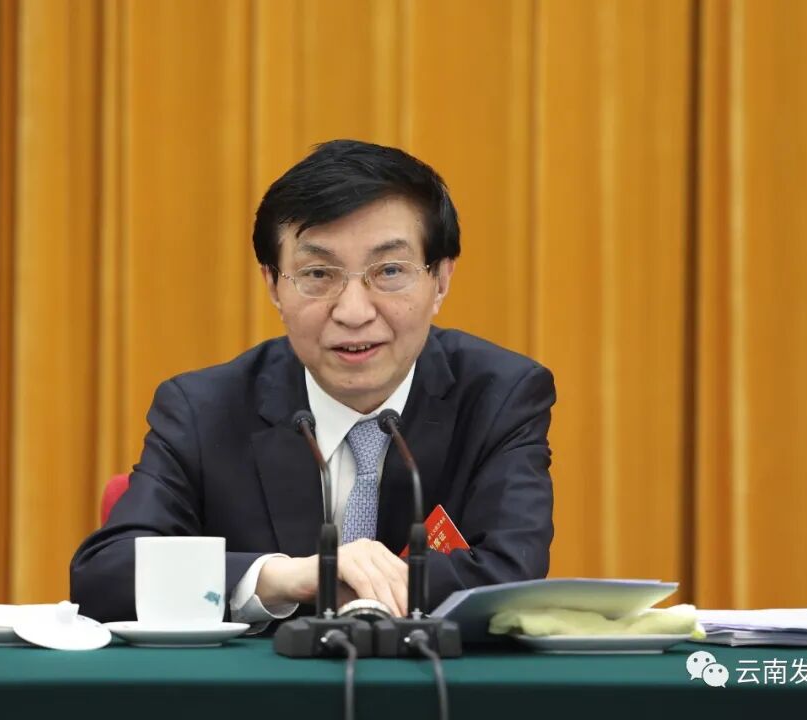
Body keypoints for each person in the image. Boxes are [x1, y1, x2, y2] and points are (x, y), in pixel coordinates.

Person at [70, 139, 555, 626]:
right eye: (318, 273)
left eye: (389, 271)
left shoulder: (499, 396)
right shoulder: (205, 409)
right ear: (272, 285)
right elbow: (105, 576)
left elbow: (511, 576)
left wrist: (363, 591)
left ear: (441, 281)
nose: (353, 312)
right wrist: (282, 577)